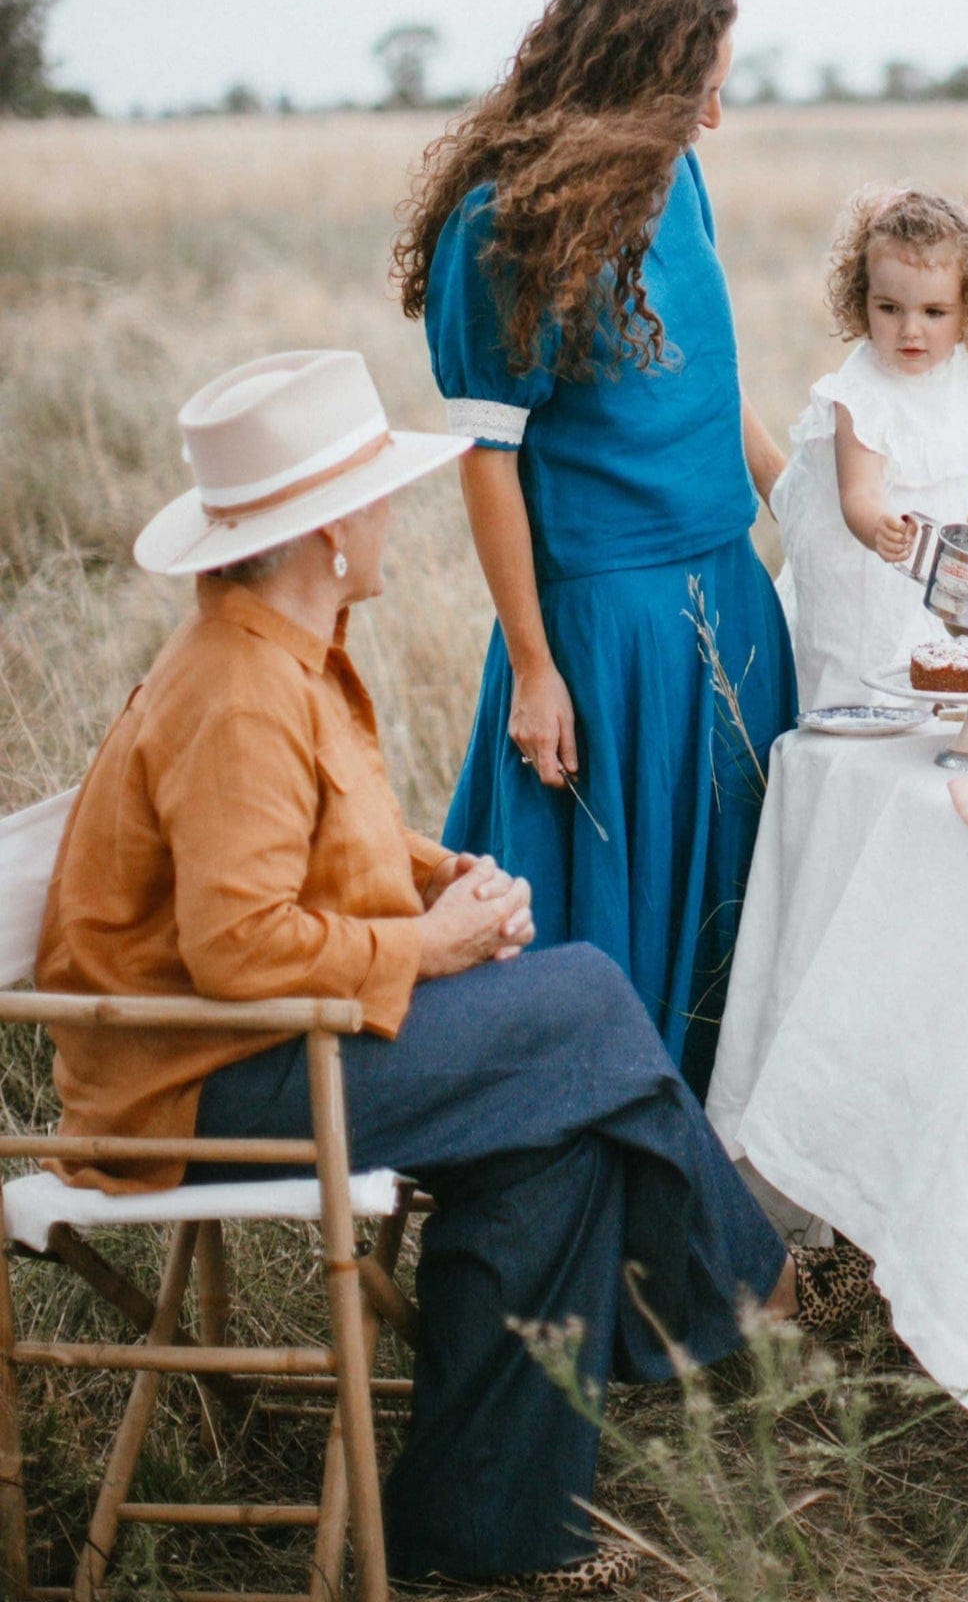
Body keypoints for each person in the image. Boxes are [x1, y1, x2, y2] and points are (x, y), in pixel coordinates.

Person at [36, 351, 865, 1596]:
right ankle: (760, 1288)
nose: (387, 515)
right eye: (371, 496)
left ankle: (481, 1534)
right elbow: (239, 948)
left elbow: (319, 847)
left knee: (560, 1141)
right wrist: (435, 944)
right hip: (203, 1090)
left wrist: (436, 876)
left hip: (270, 1050)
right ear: (321, 534)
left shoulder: (283, 649)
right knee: (585, 1003)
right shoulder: (243, 691)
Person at [394, 0, 794, 1098]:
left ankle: (721, 1203)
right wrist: (534, 666)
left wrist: (799, 497)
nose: (715, 113)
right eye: (700, 86)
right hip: (602, 633)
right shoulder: (499, 224)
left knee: (735, 925)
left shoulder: (683, 181)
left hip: (731, 593)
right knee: (602, 932)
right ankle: (588, 1204)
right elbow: (488, 458)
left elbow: (714, 381)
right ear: (637, 75)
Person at [773, 185, 968, 711]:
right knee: (860, 689)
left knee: (920, 686)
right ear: (861, 301)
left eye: (934, 312)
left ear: (967, 309)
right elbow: (857, 495)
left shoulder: (961, 377)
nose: (911, 330)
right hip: (857, 582)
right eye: (889, 308)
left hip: (917, 581)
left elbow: (950, 474)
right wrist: (875, 524)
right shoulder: (861, 393)